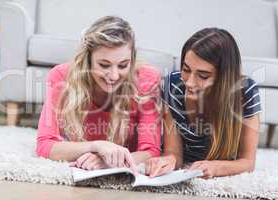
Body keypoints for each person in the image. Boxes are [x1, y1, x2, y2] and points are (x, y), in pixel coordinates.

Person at [36, 16, 162, 174]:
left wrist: (108, 161)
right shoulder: (61, 77)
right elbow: (45, 146)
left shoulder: (147, 79)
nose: (114, 75)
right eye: (104, 65)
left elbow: (151, 151)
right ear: (87, 59)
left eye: (123, 65)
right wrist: (95, 146)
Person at [145, 28, 261, 179]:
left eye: (203, 76)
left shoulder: (245, 92)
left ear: (224, 78)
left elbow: (247, 162)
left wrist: (216, 167)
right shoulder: (173, 86)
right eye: (186, 69)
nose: (190, 82)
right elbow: (174, 153)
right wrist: (168, 161)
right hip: (187, 163)